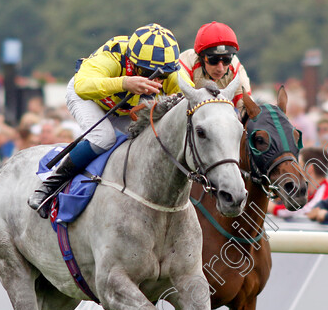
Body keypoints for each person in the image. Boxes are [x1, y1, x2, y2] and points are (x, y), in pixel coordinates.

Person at [28, 23, 188, 217]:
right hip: (88, 98)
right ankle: (48, 187)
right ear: (133, 62)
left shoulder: (170, 72)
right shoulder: (114, 55)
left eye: (162, 75)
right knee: (104, 138)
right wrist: (125, 82)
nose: (156, 81)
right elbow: (82, 86)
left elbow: (191, 96)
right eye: (148, 73)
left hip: (121, 109)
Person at [178, 21, 251, 108]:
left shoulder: (235, 69)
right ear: (200, 57)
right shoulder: (185, 64)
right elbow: (179, 111)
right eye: (214, 60)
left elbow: (247, 111)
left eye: (226, 60)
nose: (220, 69)